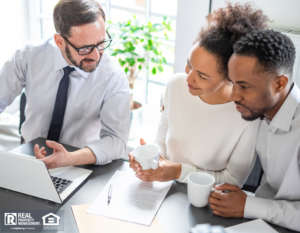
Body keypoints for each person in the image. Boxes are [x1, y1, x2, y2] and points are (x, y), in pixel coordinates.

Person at [129, 3, 269, 185]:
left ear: (230, 78)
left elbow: (233, 181)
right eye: (189, 64)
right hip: (164, 191)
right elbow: (160, 142)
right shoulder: (175, 85)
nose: (189, 78)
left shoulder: (246, 115)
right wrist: (148, 160)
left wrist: (178, 172)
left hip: (207, 202)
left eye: (202, 75)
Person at [0, 0, 131, 169]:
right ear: (59, 41)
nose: (96, 56)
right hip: (29, 156)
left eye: (101, 44)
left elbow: (116, 140)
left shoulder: (113, 77)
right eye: (85, 49)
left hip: (81, 163)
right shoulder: (29, 57)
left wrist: (70, 158)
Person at [209, 29, 300, 232]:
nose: (234, 95)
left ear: (279, 83)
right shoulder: (261, 110)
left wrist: (248, 205)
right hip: (258, 223)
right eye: (233, 83)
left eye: (244, 86)